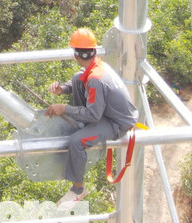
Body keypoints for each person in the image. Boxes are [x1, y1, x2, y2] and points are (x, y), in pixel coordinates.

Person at [44, 27, 138, 207]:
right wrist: (63, 88)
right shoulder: (98, 66)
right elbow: (80, 80)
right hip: (108, 112)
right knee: (78, 77)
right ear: (93, 51)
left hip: (117, 122)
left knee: (76, 142)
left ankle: (78, 189)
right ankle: (81, 123)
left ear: (75, 55)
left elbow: (94, 115)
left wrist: (65, 108)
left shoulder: (95, 79)